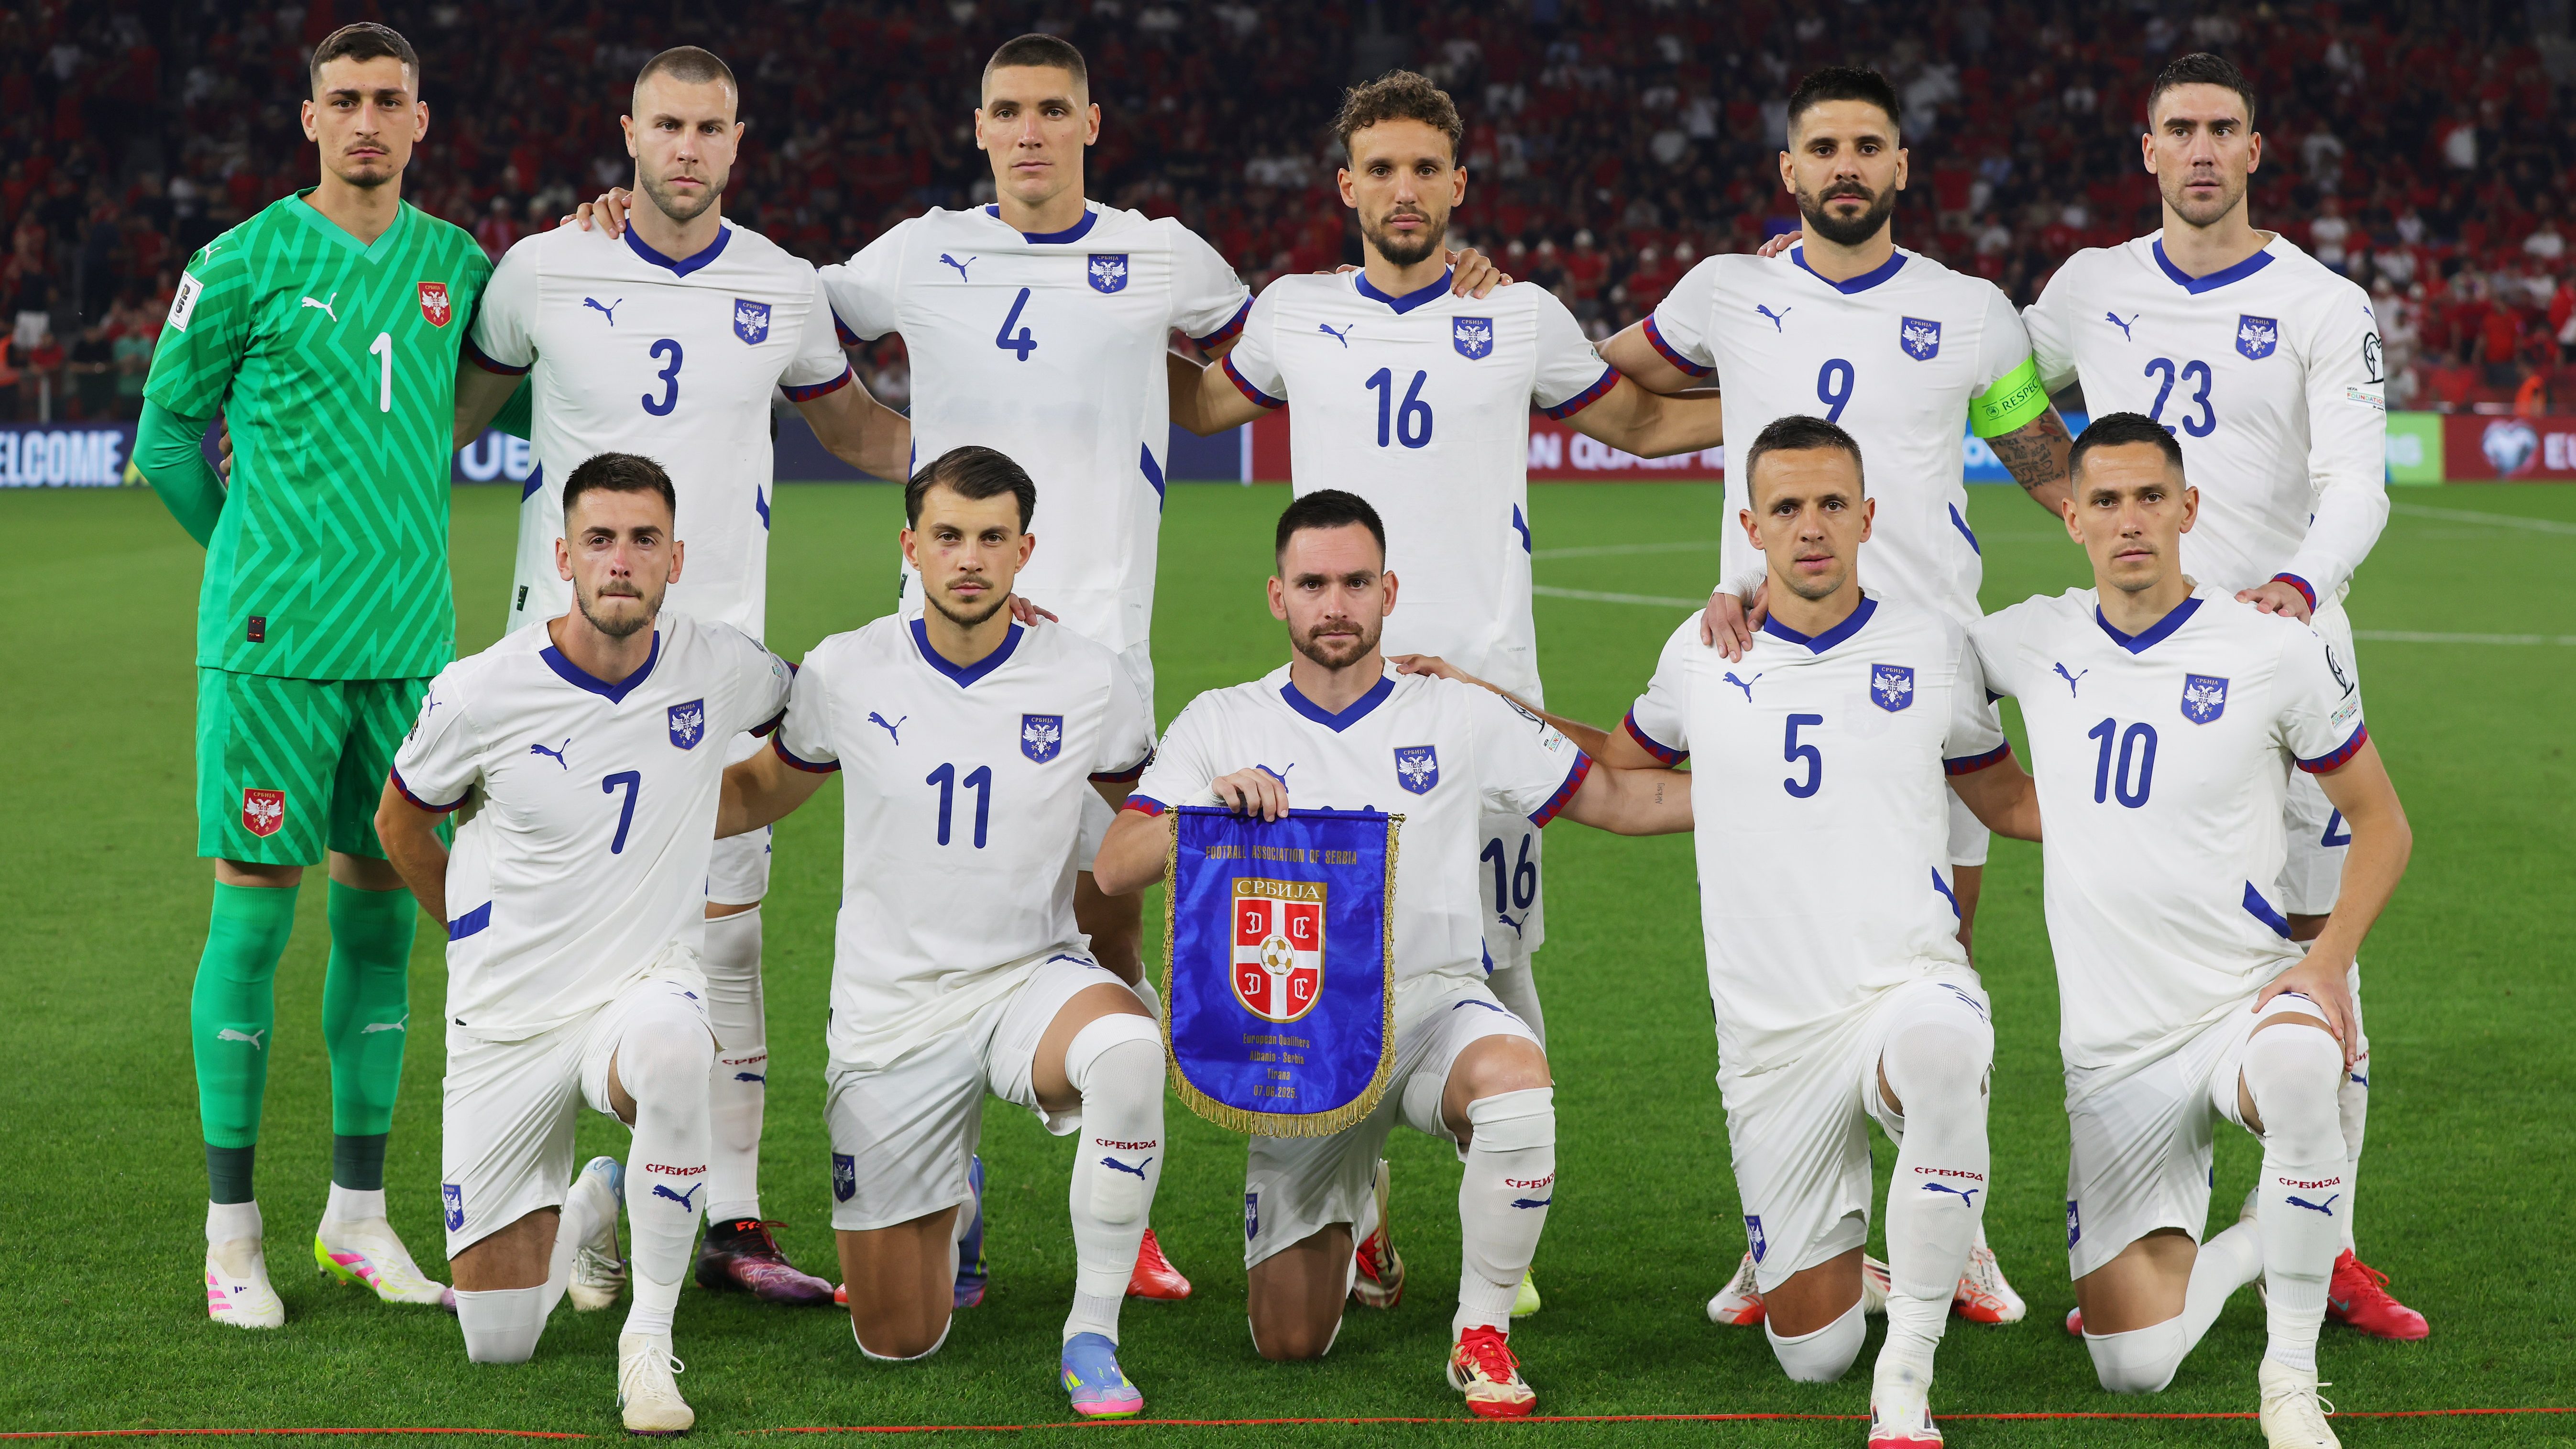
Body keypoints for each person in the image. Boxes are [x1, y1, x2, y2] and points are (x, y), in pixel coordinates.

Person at [568, 30, 1511, 1303]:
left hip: (1099, 659)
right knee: (939, 924)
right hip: (939, 658)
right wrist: (625, 227)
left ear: (1090, 123)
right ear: (979, 127)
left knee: (1110, 916)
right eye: (1007, 110)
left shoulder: (1161, 255)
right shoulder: (917, 253)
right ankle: (946, 1193)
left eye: (1052, 110)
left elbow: (1282, 347)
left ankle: (1130, 1200)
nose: (1029, 131)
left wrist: (1443, 278)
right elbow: (774, 306)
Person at [1169, 68, 1725, 1321]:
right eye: (1382, 168)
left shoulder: (1517, 315)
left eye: (1426, 167)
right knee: (1332, 954)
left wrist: (1813, 388)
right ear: (1345, 186)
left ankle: (1496, 1227)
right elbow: (1200, 402)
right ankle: (1358, 1213)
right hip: (1329, 693)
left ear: (1460, 183)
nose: (1404, 188)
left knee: (1496, 957)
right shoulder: (1295, 313)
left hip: (1484, 700)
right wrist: (1102, 338)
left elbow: (1641, 424)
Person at [1403, 416, 2039, 1445]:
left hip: (1905, 986)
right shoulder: (1702, 653)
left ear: (1868, 515)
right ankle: (1858, 1263)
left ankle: (1908, 1377)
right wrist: (1485, 705)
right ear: (1751, 527)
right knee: (1813, 1352)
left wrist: (2169, 815)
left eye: (1832, 504)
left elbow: (2008, 800)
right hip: (1772, 1039)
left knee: (1944, 1054)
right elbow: (1617, 770)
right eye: (1786, 508)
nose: (1811, 527)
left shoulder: (1932, 647)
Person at [1597, 62, 2070, 1328]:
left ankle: (1956, 1231)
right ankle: (1784, 1225)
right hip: (1769, 662)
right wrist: (1477, 306)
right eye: (1824, 147)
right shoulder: (1728, 292)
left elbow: (2048, 468)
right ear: (1788, 170)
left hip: (1930, 678)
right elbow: (1610, 391)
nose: (1846, 166)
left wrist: (2168, 567)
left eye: (1868, 146)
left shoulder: (1970, 312)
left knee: (1940, 966)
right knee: (1783, 967)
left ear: (1901, 166)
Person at [450, 44, 910, 1307]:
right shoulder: (542, 269)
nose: (688, 148)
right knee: (542, 941)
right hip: (555, 677)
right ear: (630, 133)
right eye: (668, 126)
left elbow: (859, 428)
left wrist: (1010, 454)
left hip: (714, 678)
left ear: (738, 141)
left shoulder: (780, 285)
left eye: (710, 128)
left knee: (727, 939)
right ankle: (549, 1197)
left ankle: (733, 1222)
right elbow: (448, 416)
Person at [1091, 490, 1694, 1419]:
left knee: (1516, 1084)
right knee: (1289, 1342)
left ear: (1389, 592)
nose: (1335, 605)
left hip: (1433, 1004)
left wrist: (1764, 790)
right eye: (1313, 584)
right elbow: (1115, 863)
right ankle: (1362, 1211)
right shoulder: (1222, 721)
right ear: (1278, 596)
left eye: (1356, 583)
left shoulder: (1457, 713)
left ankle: (1480, 1331)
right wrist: (1205, 809)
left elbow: (1617, 799)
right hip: (1300, 1038)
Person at [2018, 53, 2419, 1340]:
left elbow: (2357, 479)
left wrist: (2297, 586)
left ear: (2256, 148)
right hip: (2141, 666)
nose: (2200, 149)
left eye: (2222, 129)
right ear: (2147, 150)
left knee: (2319, 950)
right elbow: (1990, 379)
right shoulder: (2089, 287)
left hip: (2285, 661)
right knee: (2150, 942)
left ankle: (2329, 1241)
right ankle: (2157, 1223)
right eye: (2179, 129)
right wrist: (2062, 492)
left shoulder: (2319, 301)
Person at [131, 21, 493, 1327]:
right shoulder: (240, 261)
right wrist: (251, 564)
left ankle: (356, 1217)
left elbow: (516, 383)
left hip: (407, 652)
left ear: (420, 119)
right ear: (309, 118)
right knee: (253, 920)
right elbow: (165, 438)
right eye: (344, 100)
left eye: (388, 100)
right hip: (276, 654)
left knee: (382, 924)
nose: (366, 122)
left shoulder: (459, 264)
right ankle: (231, 1237)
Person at [1972, 415, 2410, 1449]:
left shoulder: (2272, 648)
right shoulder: (2027, 638)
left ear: (2188, 509)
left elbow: (2383, 823)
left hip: (2239, 1007)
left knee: (2303, 1070)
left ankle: (2289, 1381)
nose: (2131, 520)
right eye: (2107, 501)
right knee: (2132, 1365)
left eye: (2151, 497)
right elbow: (1892, 659)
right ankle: (2263, 1233)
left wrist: (2327, 965)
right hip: (2114, 1051)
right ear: (2072, 518)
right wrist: (1749, 599)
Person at [713, 446, 1168, 1420]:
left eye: (993, 538)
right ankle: (955, 1201)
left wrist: (1234, 804)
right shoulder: (845, 668)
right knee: (898, 1340)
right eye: (949, 536)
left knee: (1130, 1049)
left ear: (1024, 551)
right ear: (911, 546)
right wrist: (615, 811)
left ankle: (1091, 1334)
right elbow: (760, 789)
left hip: (1028, 979)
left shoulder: (1089, 678)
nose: (970, 558)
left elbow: (1147, 813)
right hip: (891, 1011)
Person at [375, 452, 791, 1433]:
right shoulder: (481, 691)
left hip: (642, 991)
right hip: (510, 1017)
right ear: (563, 557)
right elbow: (400, 823)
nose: (621, 560)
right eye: (599, 540)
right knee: (498, 1337)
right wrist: (468, 933)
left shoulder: (721, 664)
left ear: (675, 559)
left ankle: (647, 1341)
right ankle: (598, 1204)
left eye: (644, 540)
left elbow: (822, 706)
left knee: (678, 1052)